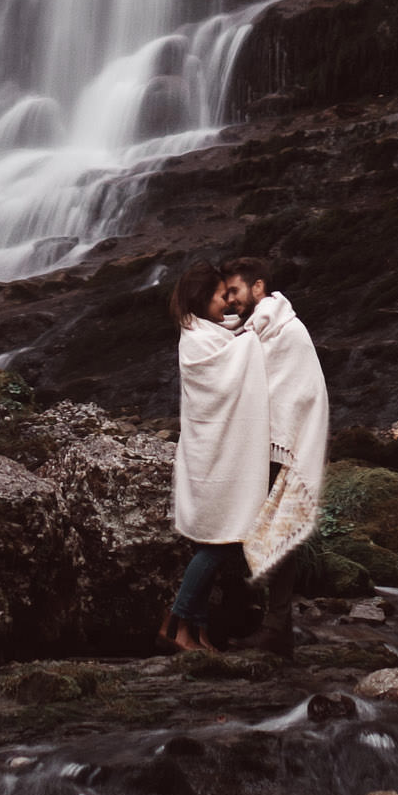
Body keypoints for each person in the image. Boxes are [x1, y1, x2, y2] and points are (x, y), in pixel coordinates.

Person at [224, 255, 329, 657]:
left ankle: (275, 626)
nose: (231, 300)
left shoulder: (280, 329)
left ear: (259, 288)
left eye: (235, 291)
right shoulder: (260, 328)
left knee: (277, 532)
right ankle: (268, 621)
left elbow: (293, 392)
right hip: (272, 442)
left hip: (283, 443)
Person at [162, 261, 269, 652]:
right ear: (200, 298)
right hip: (212, 460)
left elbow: (236, 343)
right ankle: (174, 625)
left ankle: (199, 630)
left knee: (213, 540)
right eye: (221, 296)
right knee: (218, 543)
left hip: (215, 457)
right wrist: (260, 330)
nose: (227, 303)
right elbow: (230, 366)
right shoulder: (196, 339)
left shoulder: (209, 332)